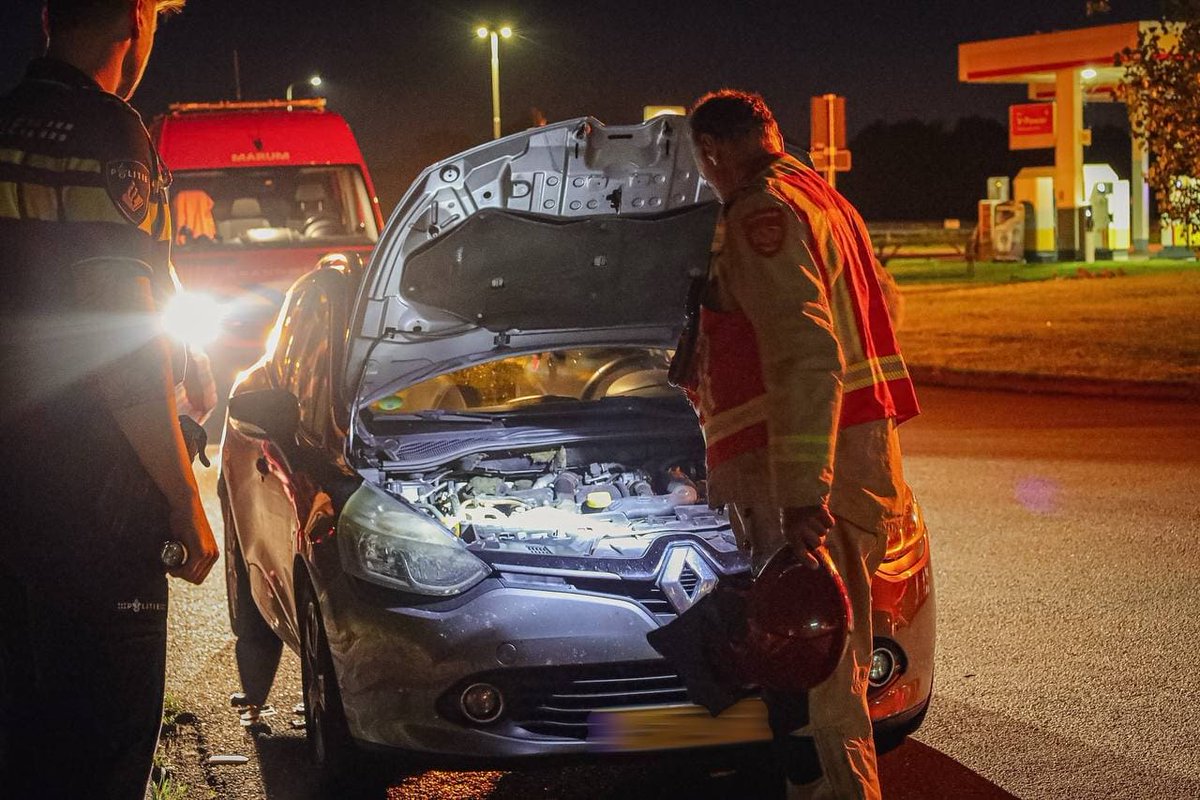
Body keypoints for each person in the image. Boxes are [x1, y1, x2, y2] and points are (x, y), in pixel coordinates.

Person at [0, 2, 218, 798]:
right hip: (91, 503)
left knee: (24, 750)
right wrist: (182, 495)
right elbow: (119, 351)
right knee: (104, 753)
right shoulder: (108, 133)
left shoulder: (10, 123)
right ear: (135, 17)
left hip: (10, 505)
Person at [681, 90, 920, 799]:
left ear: (713, 153)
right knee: (827, 667)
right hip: (861, 452)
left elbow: (807, 354)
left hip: (820, 464)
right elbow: (885, 306)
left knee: (821, 681)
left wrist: (802, 494)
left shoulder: (759, 212)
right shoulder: (821, 197)